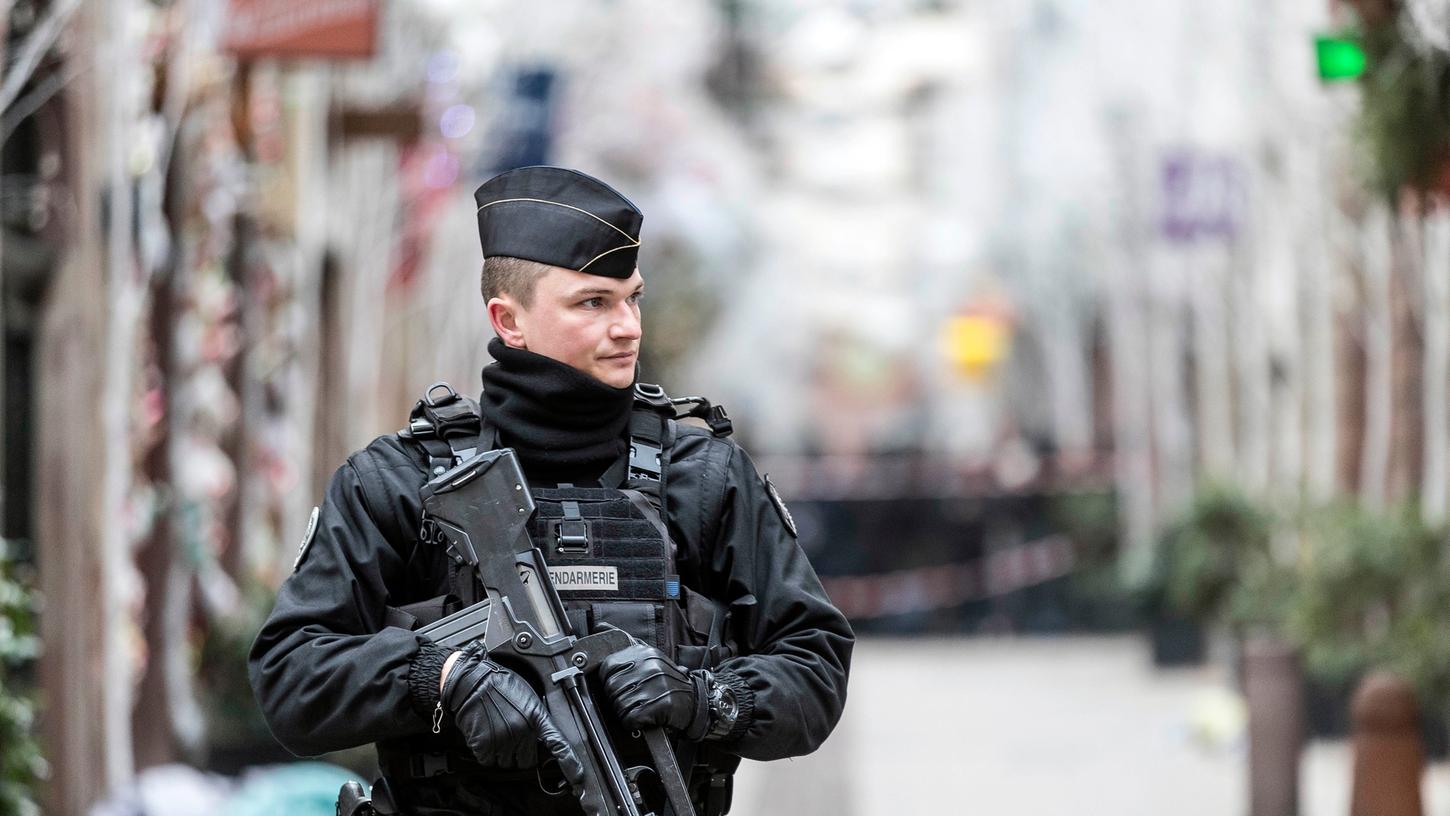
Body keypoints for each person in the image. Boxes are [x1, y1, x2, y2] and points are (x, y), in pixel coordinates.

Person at [248, 166, 854, 816]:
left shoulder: (704, 479)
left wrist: (703, 699)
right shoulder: (402, 481)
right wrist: (438, 679)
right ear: (509, 320)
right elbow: (291, 675)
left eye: (633, 298)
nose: (628, 326)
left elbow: (814, 665)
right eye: (593, 303)